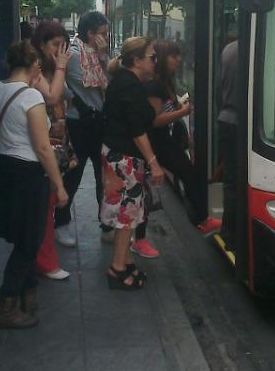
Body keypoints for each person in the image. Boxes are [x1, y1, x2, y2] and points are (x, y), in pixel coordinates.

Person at [0, 41, 68, 329]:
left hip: (2, 166)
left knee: (22, 234)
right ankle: (6, 305)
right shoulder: (30, 97)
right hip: (27, 172)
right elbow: (43, 148)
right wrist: (59, 185)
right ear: (34, 65)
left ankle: (26, 292)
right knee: (29, 240)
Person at [131, 40, 221, 258]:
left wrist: (180, 105)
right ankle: (200, 220)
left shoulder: (164, 82)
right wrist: (184, 112)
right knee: (152, 188)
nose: (178, 60)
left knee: (184, 175)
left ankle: (200, 219)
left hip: (161, 139)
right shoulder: (155, 86)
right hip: (155, 141)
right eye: (173, 56)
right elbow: (155, 120)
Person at [101, 37, 164, 290]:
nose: (155, 61)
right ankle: (117, 269)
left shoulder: (127, 82)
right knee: (126, 215)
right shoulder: (130, 86)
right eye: (151, 57)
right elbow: (137, 129)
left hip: (119, 156)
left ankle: (125, 261)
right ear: (136, 60)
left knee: (128, 213)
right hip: (124, 159)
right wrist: (154, 162)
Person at [56, 11, 110, 246]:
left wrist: (103, 57)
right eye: (103, 34)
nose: (106, 38)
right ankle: (61, 222)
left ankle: (107, 223)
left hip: (99, 121)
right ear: (90, 34)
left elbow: (108, 83)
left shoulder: (99, 56)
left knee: (103, 175)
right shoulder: (74, 54)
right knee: (73, 175)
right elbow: (62, 83)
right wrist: (75, 100)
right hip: (78, 121)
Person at [30, 21, 74, 278]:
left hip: (56, 137)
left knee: (46, 202)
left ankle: (42, 256)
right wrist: (60, 67)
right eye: (55, 45)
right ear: (40, 44)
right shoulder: (36, 67)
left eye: (63, 45)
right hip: (43, 141)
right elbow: (52, 96)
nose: (60, 51)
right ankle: (45, 260)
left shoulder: (47, 66)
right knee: (44, 202)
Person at [218, 39, 239, 252]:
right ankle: (233, 235)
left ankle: (228, 231)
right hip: (240, 122)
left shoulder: (228, 48)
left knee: (231, 181)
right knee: (237, 183)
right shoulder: (262, 46)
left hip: (226, 118)